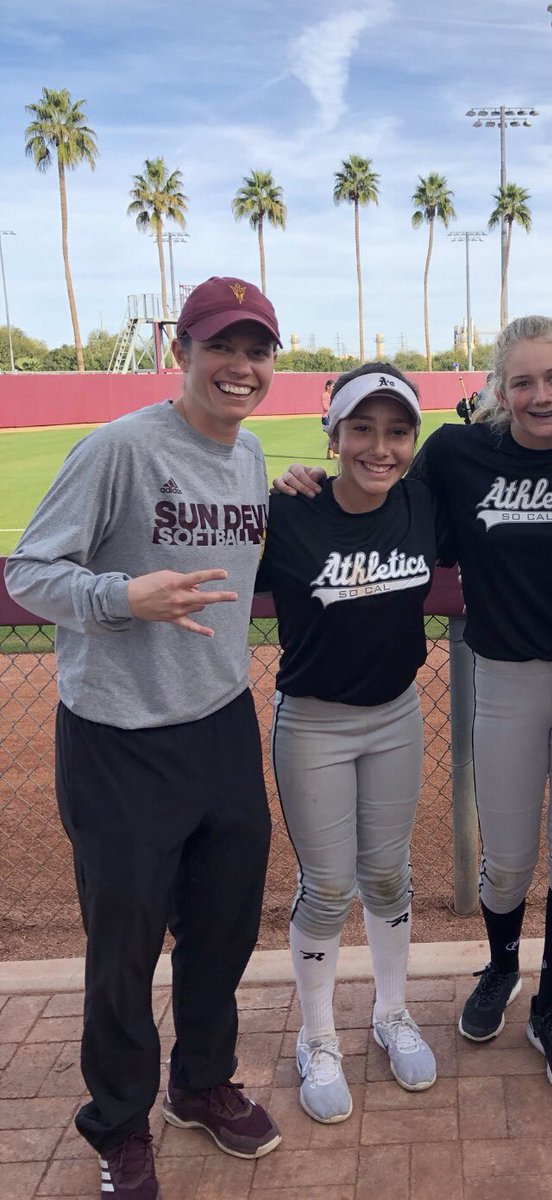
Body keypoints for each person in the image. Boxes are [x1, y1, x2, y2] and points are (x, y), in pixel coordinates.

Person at [273, 317, 552, 1095]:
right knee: (507, 861)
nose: (539, 394)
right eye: (521, 381)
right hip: (500, 676)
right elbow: (373, 490)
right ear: (498, 389)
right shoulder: (457, 455)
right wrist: (300, 482)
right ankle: (499, 968)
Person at [4, 276, 284, 1200]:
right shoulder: (120, 448)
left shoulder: (249, 461)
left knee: (221, 931)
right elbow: (31, 573)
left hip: (220, 726)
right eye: (221, 347)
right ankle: (118, 1122)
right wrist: (122, 598)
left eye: (255, 351)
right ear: (184, 352)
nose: (239, 368)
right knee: (122, 950)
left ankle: (200, 1083)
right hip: (119, 740)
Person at [258, 363, 439, 1124]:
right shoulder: (289, 510)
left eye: (398, 431)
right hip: (315, 724)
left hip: (396, 714)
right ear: (331, 435)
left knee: (390, 877)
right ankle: (318, 1035)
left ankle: (391, 1013)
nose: (380, 447)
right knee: (329, 887)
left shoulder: (425, 504)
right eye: (361, 428)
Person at [321, 379, 336, 459]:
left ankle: (331, 453)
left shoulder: (332, 396)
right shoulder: (325, 395)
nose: (334, 388)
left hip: (330, 417)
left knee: (333, 434)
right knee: (332, 434)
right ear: (328, 386)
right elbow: (325, 407)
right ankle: (331, 452)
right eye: (333, 387)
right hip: (326, 418)